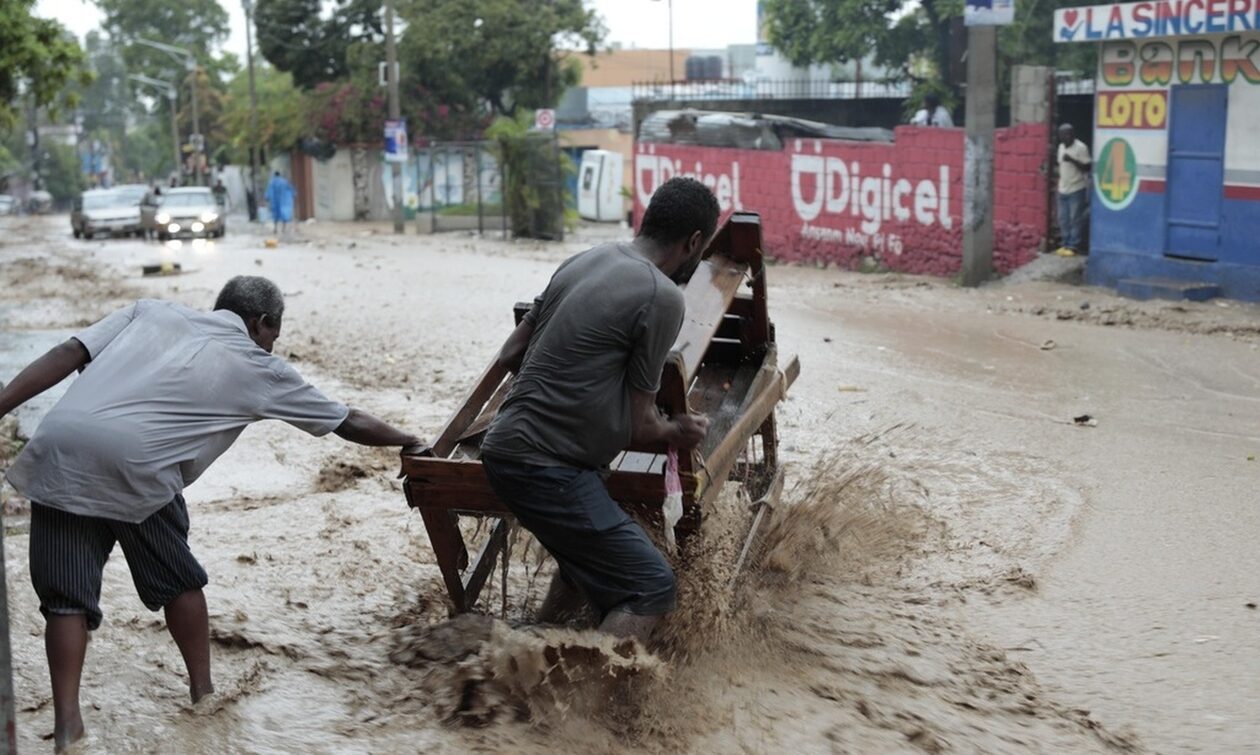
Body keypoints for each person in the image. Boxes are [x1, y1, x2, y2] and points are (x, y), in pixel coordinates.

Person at [0, 276, 422, 752]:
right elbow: (347, 421)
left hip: (59, 447)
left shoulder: (149, 311)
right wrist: (408, 439)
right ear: (263, 324)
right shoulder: (259, 367)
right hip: (140, 465)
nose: (270, 345)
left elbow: (66, 354)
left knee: (66, 600)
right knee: (180, 580)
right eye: (272, 337)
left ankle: (67, 728)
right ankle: (204, 697)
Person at [479, 177, 718, 645]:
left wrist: (577, 383)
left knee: (585, 561)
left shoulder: (586, 258)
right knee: (651, 585)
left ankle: (533, 653)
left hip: (503, 447)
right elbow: (639, 425)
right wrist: (679, 430)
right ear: (693, 242)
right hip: (547, 467)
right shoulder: (662, 296)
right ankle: (584, 704)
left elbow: (510, 355)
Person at [1055, 123, 1091, 257]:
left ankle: (1073, 245)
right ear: (1060, 136)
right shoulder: (1060, 147)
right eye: (1064, 134)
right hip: (1063, 188)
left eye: (1070, 133)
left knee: (1075, 218)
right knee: (1063, 218)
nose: (1068, 136)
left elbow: (1087, 167)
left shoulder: (1081, 147)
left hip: (1077, 188)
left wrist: (1072, 160)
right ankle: (1065, 243)